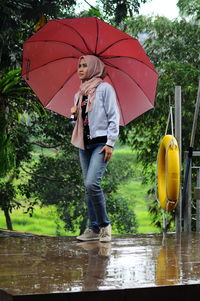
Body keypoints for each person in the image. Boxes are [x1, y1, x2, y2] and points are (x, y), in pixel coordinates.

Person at [71, 55, 120, 242]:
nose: (81, 69)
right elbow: (80, 124)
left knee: (92, 183)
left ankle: (105, 226)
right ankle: (93, 228)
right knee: (87, 187)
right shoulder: (79, 94)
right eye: (79, 66)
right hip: (84, 144)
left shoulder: (104, 89)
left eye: (85, 66)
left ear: (94, 68)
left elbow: (113, 116)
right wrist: (73, 116)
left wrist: (110, 143)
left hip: (101, 143)